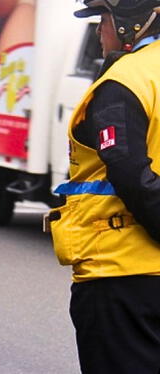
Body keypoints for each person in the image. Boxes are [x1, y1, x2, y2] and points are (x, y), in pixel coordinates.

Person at [48, 1, 160, 373]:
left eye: (104, 20)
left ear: (136, 22)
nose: (99, 31)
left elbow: (131, 176)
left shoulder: (124, 81)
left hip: (121, 277)